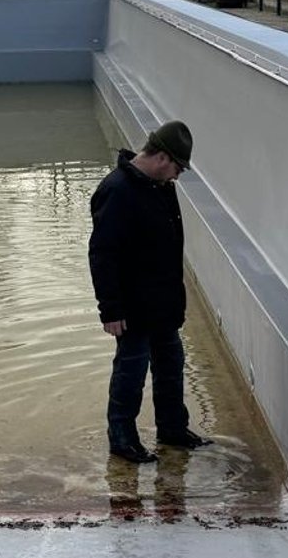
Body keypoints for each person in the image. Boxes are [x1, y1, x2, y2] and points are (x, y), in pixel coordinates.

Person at [88, 121, 213, 464]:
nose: (177, 176)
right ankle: (122, 438)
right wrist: (110, 309)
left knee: (171, 366)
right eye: (177, 168)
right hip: (132, 308)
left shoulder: (159, 187)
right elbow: (102, 253)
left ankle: (172, 429)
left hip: (162, 305)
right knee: (131, 372)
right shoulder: (117, 190)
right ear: (161, 157)